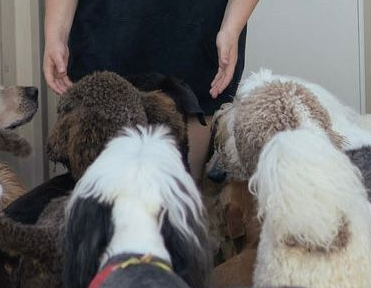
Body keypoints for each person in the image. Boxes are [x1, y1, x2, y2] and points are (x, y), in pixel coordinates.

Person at [43, 0, 260, 180]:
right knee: (101, 203)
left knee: (180, 200)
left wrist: (231, 27)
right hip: (104, 44)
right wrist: (56, 35)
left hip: (195, 47)